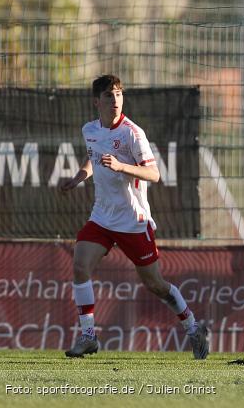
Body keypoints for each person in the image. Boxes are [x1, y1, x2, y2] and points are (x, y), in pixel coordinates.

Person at [57, 74, 209, 359]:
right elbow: (93, 156)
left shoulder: (132, 133)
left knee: (155, 285)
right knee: (80, 265)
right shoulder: (89, 129)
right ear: (96, 101)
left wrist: (121, 167)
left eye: (118, 94)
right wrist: (79, 177)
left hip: (132, 221)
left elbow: (154, 173)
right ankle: (88, 336)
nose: (115, 100)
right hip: (102, 216)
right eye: (108, 95)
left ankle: (193, 326)